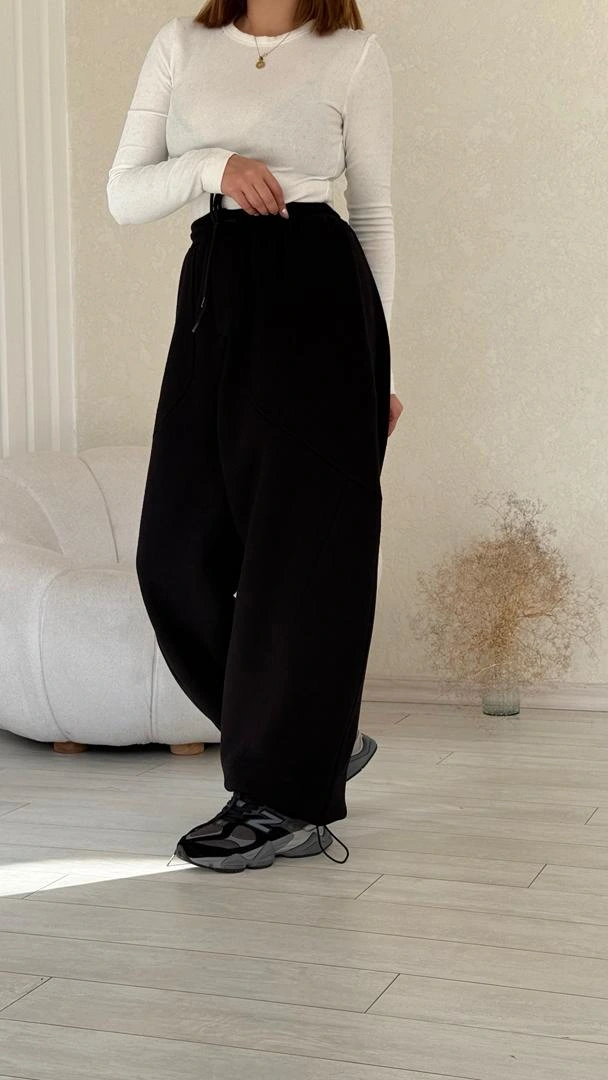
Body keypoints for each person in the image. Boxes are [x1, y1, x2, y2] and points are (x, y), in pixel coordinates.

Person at [106, 0, 403, 873]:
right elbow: (123, 193)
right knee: (172, 557)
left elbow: (375, 214)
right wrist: (215, 166)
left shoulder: (354, 53)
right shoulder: (182, 44)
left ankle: (283, 796)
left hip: (320, 301)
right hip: (214, 294)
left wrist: (380, 369)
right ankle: (310, 738)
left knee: (300, 561)